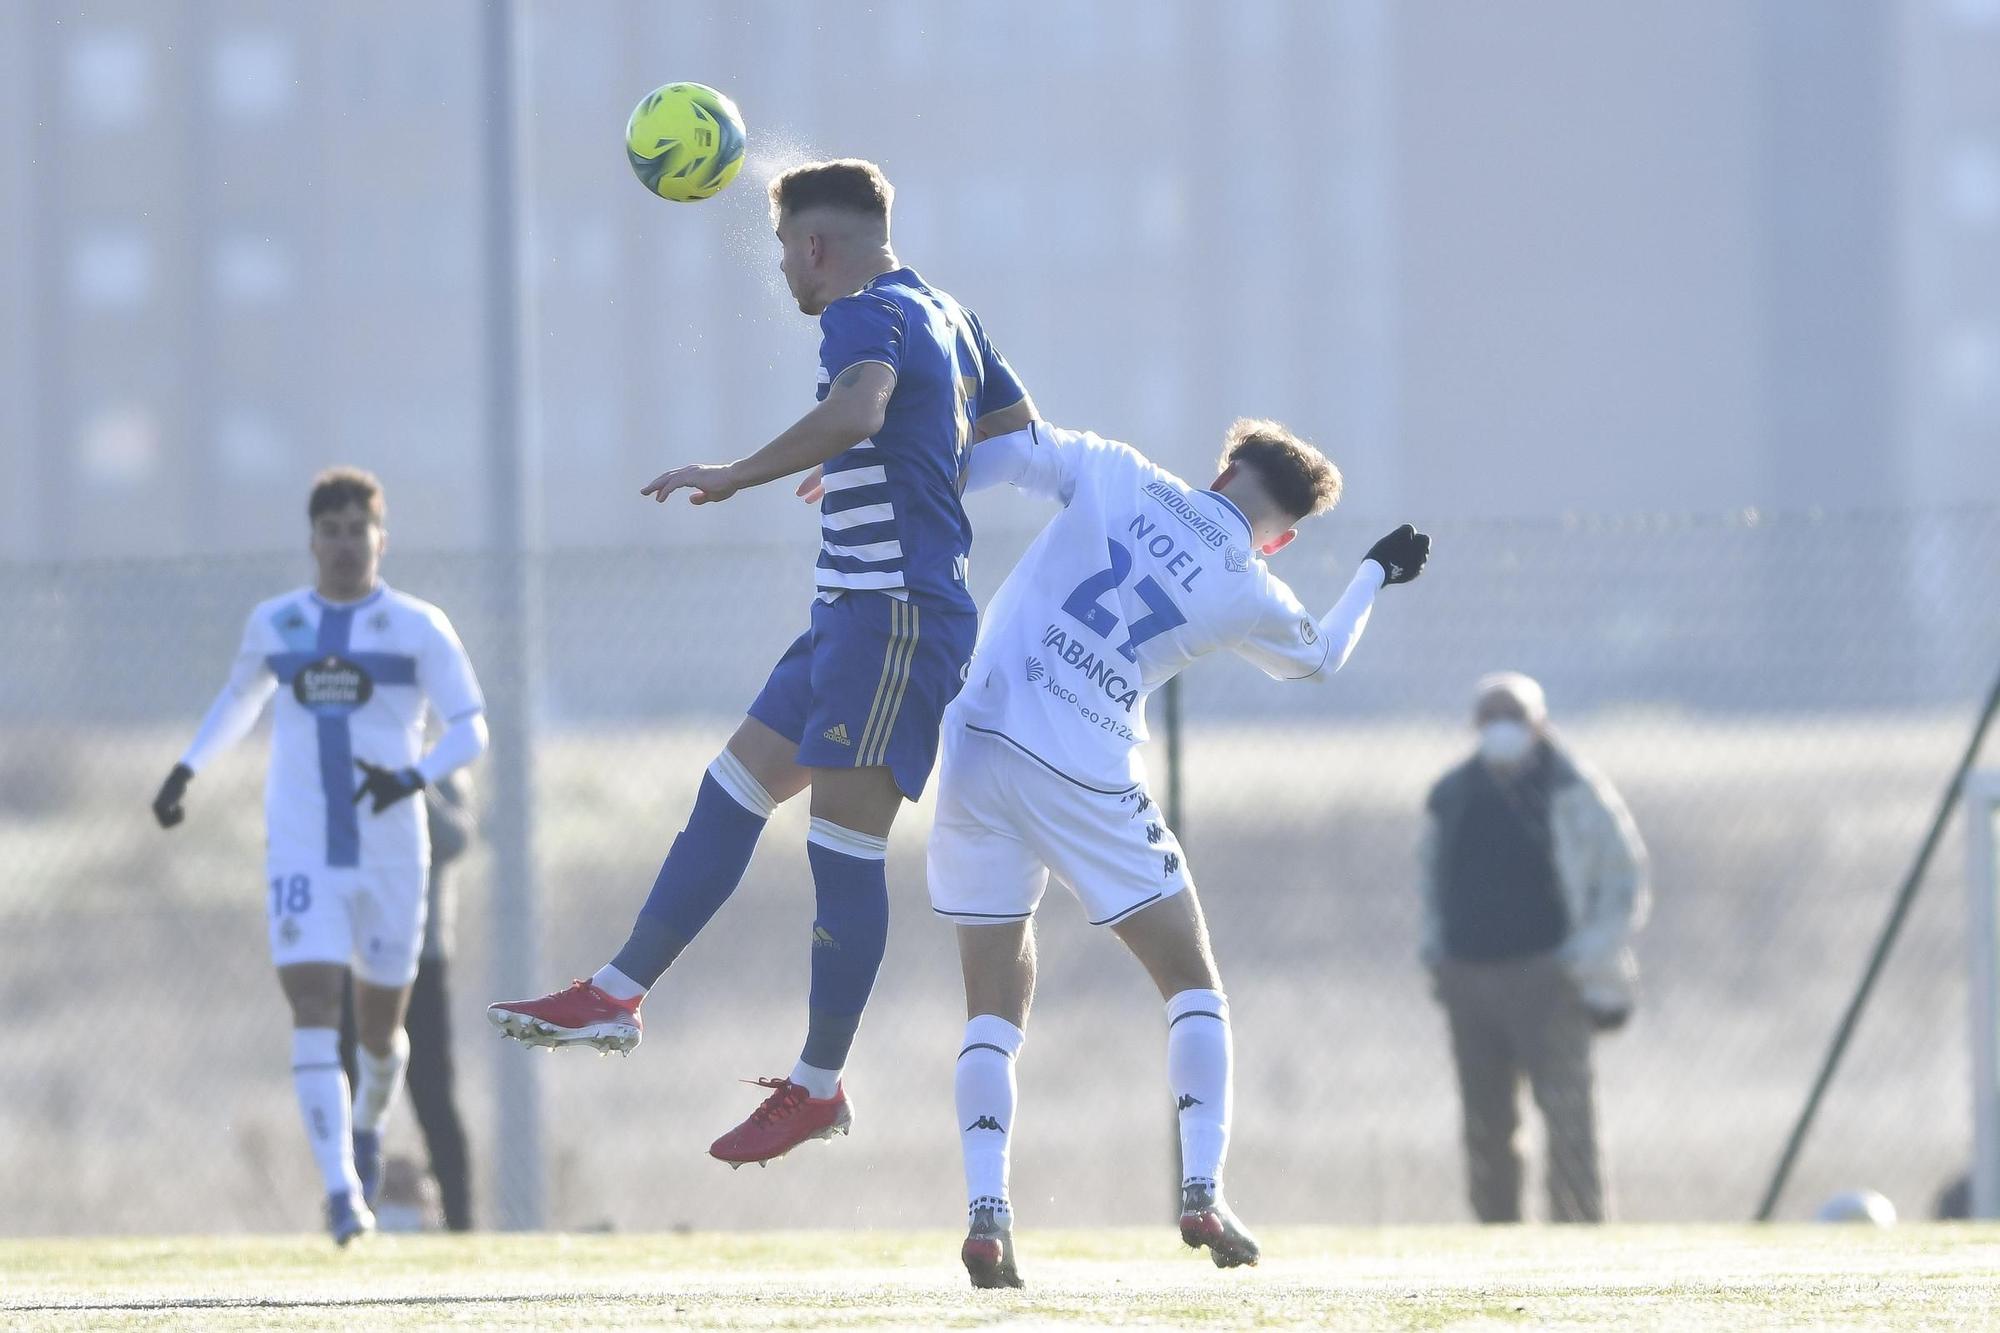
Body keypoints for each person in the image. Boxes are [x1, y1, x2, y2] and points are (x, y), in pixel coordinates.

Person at [487, 158, 1036, 1167]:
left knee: (841, 854)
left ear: (816, 246)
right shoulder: (947, 312)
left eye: (784, 247)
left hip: (894, 619)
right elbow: (1009, 430)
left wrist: (741, 472)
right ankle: (615, 993)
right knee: (730, 788)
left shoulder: (858, 313)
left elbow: (865, 401)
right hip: (843, 617)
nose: (783, 266)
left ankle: (817, 1086)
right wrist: (890, 453)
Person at [929, 417, 1431, 1287]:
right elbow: (1320, 658)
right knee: (1192, 984)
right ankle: (1203, 1188)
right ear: (1282, 533)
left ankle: (987, 1211)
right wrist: (1374, 573)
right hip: (1082, 774)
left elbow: (1007, 454)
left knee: (992, 1006)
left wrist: (900, 485)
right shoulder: (1248, 585)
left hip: (974, 743)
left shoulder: (1121, 472)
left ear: (1227, 467)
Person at [150, 467, 489, 1245]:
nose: (343, 543)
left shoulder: (418, 627)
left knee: (379, 1035)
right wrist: (185, 769)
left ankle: (365, 1128)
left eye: (356, 528)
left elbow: (471, 728)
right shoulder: (278, 624)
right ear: (312, 540)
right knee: (310, 1006)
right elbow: (238, 700)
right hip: (303, 850)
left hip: (393, 853)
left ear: (381, 537)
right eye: (329, 529)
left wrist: (411, 776)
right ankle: (342, 1191)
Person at [1417, 671, 1647, 1224]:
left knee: (1570, 1121)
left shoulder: (1573, 789)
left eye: (1514, 715)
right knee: (1485, 1125)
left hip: (1551, 978)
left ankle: (1581, 1234)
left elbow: (1623, 878)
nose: (1502, 727)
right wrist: (1438, 956)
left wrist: (1584, 957)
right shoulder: (1451, 794)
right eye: (1491, 715)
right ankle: (1496, 1236)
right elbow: (1430, 881)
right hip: (1469, 978)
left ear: (1540, 723)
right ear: (1475, 725)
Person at [339, 771, 476, 1231]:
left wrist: (410, 779)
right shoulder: (344, 762)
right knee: (349, 1088)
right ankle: (348, 1210)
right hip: (356, 959)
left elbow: (454, 838)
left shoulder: (439, 768)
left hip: (423, 958)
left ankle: (460, 1225)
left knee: (434, 1095)